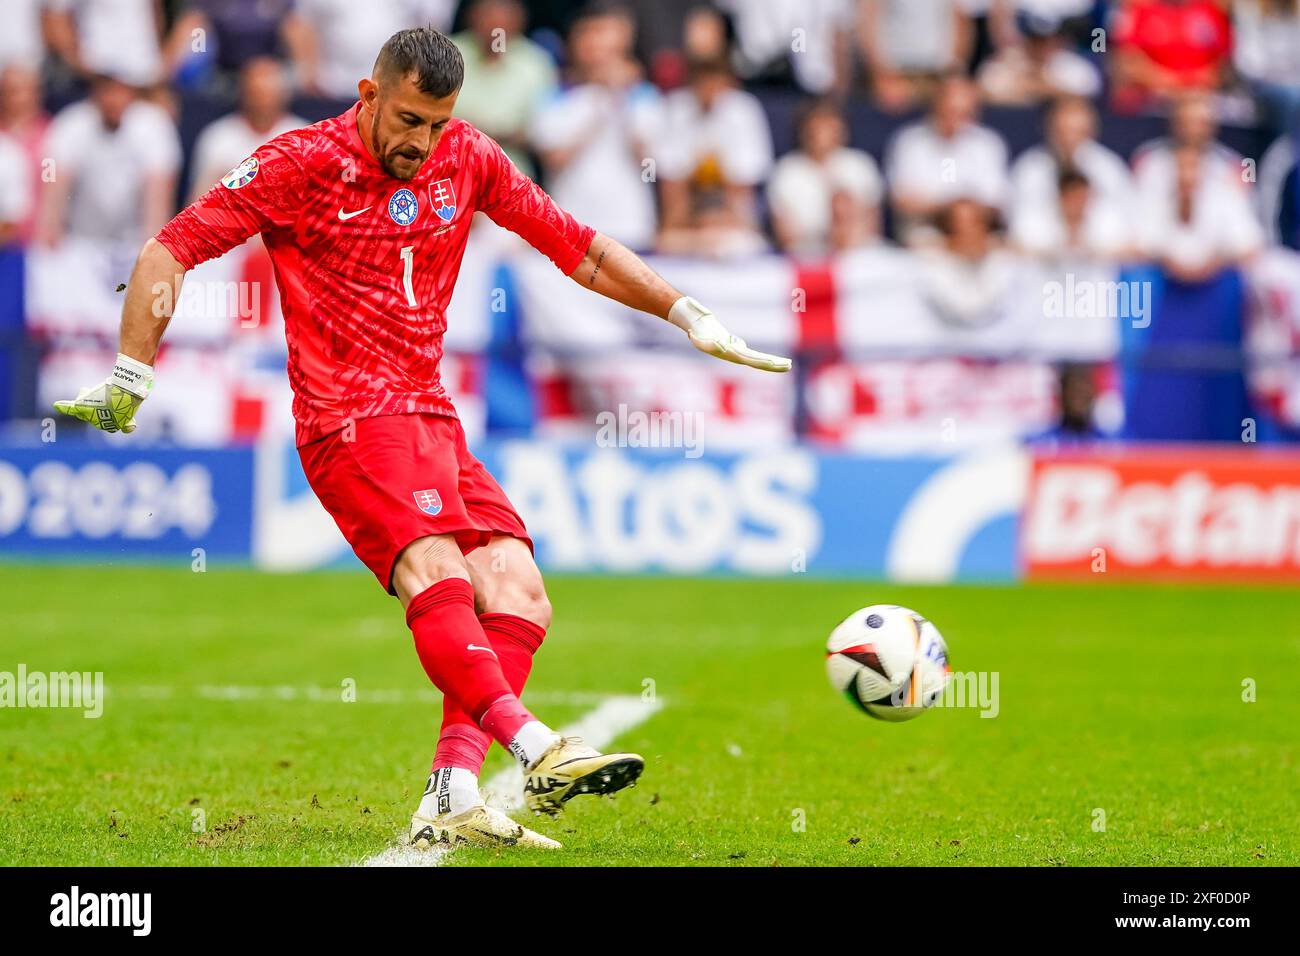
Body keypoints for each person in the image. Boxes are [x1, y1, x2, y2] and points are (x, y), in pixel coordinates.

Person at [53, 27, 790, 851]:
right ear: (368, 97)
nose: (421, 143)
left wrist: (685, 313)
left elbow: (576, 250)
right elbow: (170, 250)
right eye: (408, 120)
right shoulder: (298, 163)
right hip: (347, 421)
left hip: (430, 417)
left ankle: (453, 788)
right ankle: (536, 745)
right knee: (435, 567)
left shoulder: (465, 157)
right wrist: (130, 376)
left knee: (517, 587)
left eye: (437, 124)